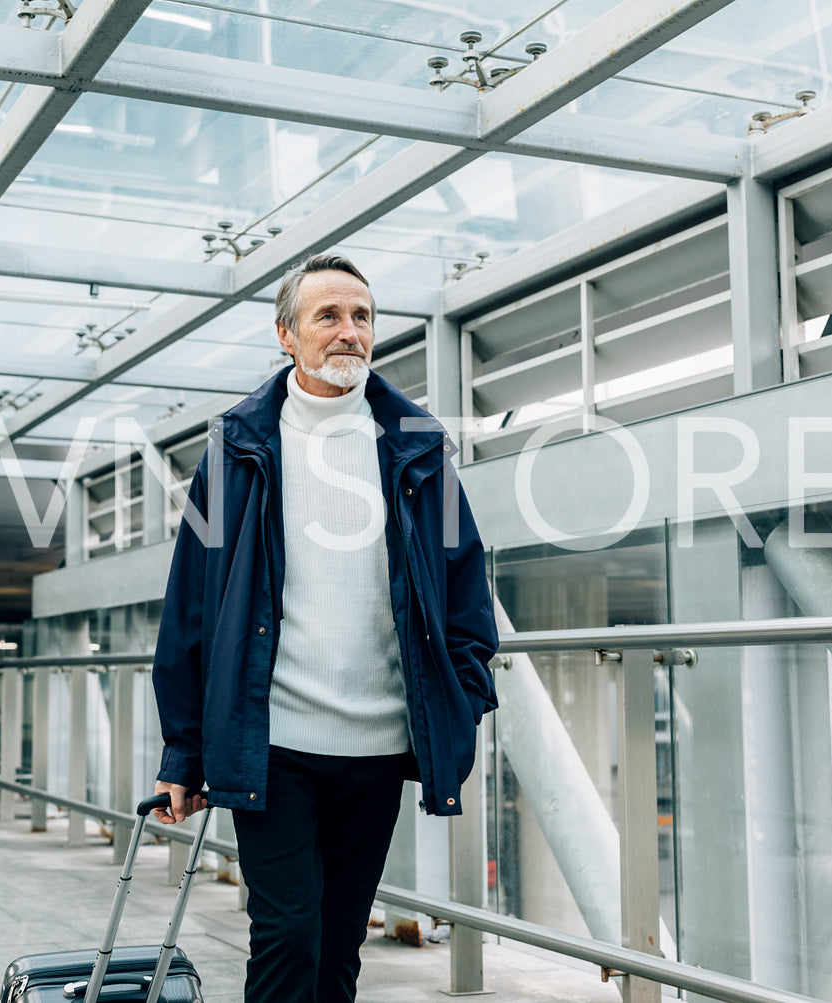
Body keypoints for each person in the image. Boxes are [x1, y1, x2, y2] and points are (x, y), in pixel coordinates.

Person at [149, 251, 500, 1003]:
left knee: (339, 942)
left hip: (376, 746)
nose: (349, 332)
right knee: (287, 935)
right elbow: (191, 602)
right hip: (270, 743)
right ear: (286, 335)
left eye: (362, 317)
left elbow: (465, 585)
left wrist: (462, 698)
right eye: (328, 316)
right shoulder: (234, 451)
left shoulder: (420, 450)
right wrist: (183, 749)